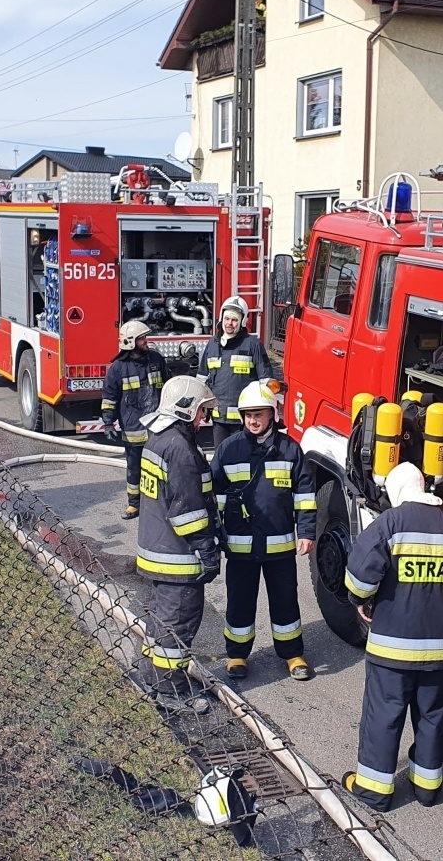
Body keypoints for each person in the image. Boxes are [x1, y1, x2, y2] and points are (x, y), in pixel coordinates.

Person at [342, 463, 443, 812]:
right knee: (431, 715)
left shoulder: (391, 524)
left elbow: (357, 579)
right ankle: (427, 787)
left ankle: (373, 790)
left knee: (385, 714)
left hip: (392, 650)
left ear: (395, 493)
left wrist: (361, 601)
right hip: (437, 651)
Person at [213, 379, 316, 682]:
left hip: (280, 549)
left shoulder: (289, 450)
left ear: (272, 414)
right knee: (240, 602)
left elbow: (305, 495)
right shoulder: (228, 450)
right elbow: (214, 496)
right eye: (248, 415)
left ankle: (292, 654)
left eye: (259, 414)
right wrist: (217, 536)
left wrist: (307, 531)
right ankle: (236, 656)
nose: (253, 420)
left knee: (285, 600)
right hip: (241, 549)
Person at [134, 375, 222, 714]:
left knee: (160, 622)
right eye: (202, 411)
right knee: (179, 624)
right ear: (185, 410)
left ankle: (150, 675)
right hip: (178, 558)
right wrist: (208, 549)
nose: (206, 418)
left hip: (157, 551)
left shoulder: (159, 438)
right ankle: (171, 692)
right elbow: (186, 511)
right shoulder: (181, 449)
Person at [101, 320, 167, 519]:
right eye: (141, 339)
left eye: (145, 337)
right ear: (130, 342)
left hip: (157, 427)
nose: (146, 341)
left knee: (161, 468)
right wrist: (108, 422)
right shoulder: (118, 368)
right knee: (134, 469)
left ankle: (161, 503)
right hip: (133, 429)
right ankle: (134, 504)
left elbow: (167, 386)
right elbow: (109, 397)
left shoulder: (156, 360)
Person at [198, 295, 271, 447]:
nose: (229, 323)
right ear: (221, 319)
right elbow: (202, 378)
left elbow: (265, 382)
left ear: (242, 321)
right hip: (219, 418)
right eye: (227, 319)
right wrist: (202, 407)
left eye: (234, 320)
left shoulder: (253, 345)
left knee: (243, 460)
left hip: (244, 419)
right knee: (221, 458)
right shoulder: (212, 344)